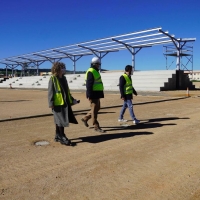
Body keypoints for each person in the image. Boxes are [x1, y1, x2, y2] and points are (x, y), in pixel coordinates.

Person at [48, 62, 78, 146]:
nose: (64, 69)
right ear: (57, 69)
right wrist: (51, 103)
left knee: (59, 120)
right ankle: (62, 136)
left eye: (64, 67)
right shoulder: (53, 79)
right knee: (61, 120)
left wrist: (72, 99)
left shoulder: (64, 78)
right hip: (58, 103)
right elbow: (50, 92)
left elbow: (67, 91)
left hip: (65, 103)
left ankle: (57, 135)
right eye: (62, 68)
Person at [81, 57, 105, 133]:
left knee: (97, 108)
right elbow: (89, 84)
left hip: (97, 93)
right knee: (94, 111)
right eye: (98, 64)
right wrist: (89, 95)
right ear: (94, 64)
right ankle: (96, 126)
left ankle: (85, 118)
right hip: (93, 94)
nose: (99, 65)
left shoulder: (95, 71)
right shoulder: (91, 71)